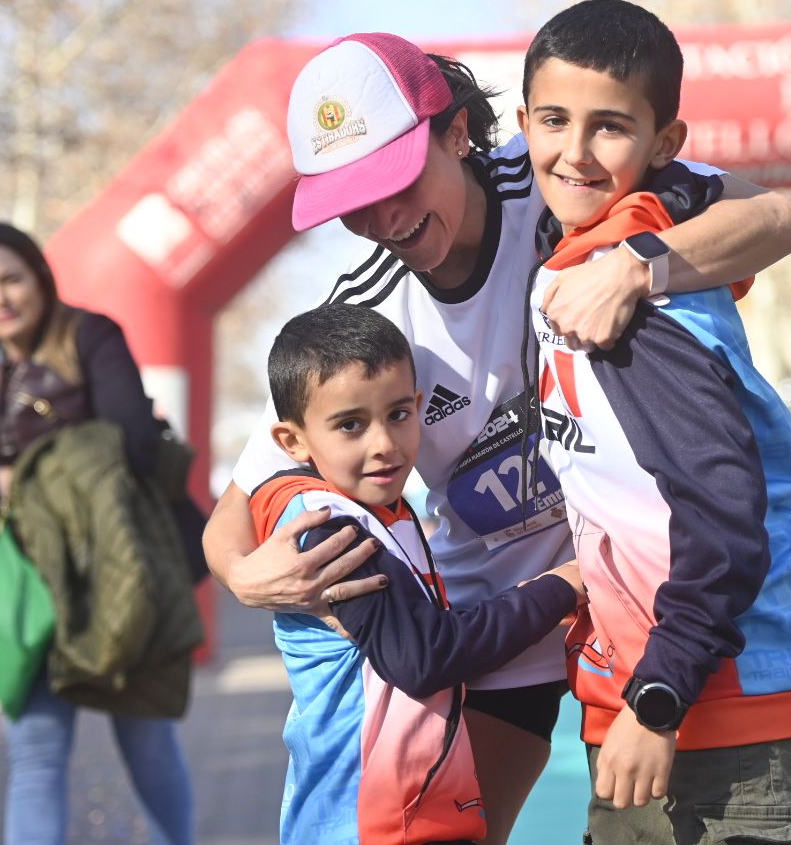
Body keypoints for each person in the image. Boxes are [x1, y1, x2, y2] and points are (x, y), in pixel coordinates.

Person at [204, 29, 791, 842]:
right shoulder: (366, 309)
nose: (383, 216)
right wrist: (246, 578)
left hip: (632, 602)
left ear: (457, 131)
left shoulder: (563, 182)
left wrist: (639, 267)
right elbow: (234, 517)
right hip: (498, 619)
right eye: (353, 203)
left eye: (396, 180)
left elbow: (778, 217)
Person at [518, 0, 791, 845]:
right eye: (553, 120)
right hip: (642, 689)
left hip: (708, 702)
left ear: (664, 143)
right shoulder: (590, 253)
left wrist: (657, 699)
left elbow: (725, 522)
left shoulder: (634, 309)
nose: (574, 152)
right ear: (522, 124)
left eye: (610, 127)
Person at [250, 304, 586, 844]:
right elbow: (424, 657)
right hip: (369, 822)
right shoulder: (333, 532)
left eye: (399, 414)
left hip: (394, 811)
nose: (382, 443)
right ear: (293, 442)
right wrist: (561, 585)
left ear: (421, 408)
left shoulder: (379, 510)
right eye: (350, 425)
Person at [0, 222, 194, 845]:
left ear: (39, 275)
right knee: (34, 754)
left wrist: (24, 474)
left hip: (117, 571)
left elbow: (134, 444)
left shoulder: (89, 336)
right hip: (31, 590)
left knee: (146, 738)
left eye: (11, 278)